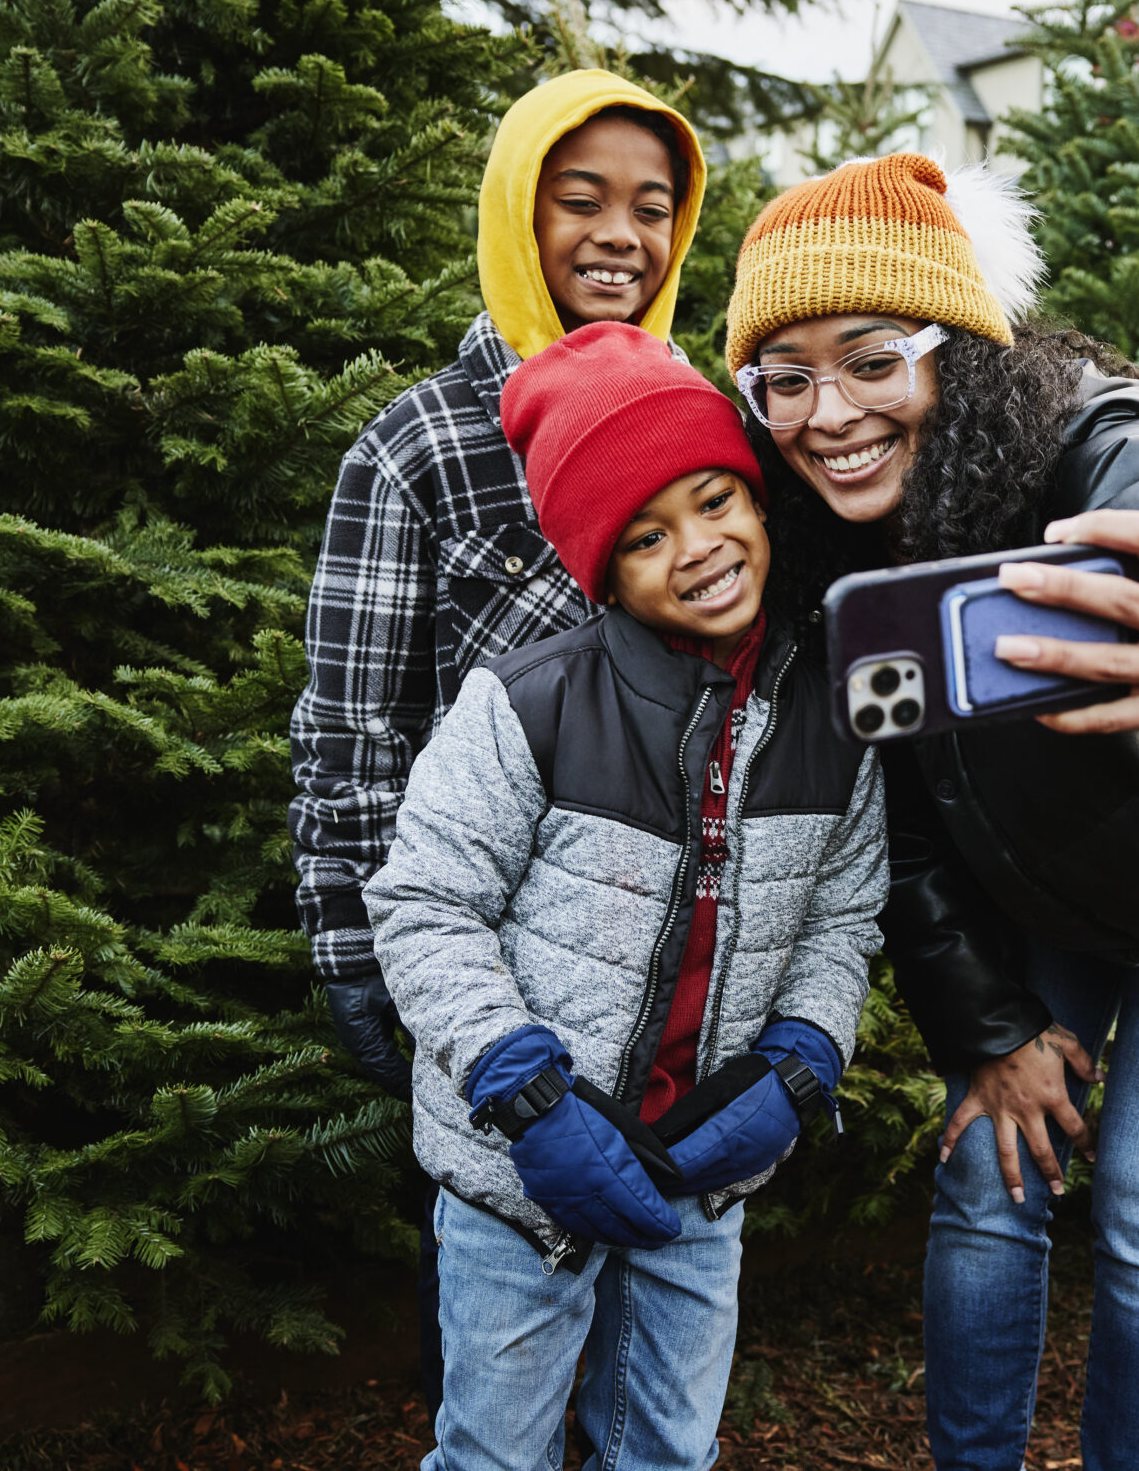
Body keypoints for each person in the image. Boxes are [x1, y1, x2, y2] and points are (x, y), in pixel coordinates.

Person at [723, 153, 1139, 1471]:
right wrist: (994, 1023)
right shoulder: (819, 541)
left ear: (956, 353)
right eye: (784, 378)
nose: (826, 413)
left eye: (868, 359)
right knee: (987, 1170)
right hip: (1051, 881)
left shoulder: (1090, 433)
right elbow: (893, 823)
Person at [366, 319, 885, 1471]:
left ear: (756, 496)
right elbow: (423, 903)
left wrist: (801, 1061)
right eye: (646, 536)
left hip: (701, 1173)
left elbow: (844, 914)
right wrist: (523, 1092)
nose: (696, 547)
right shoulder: (528, 705)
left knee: (666, 1448)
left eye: (714, 501)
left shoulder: (829, 717)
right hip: (523, 1178)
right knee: (496, 1455)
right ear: (601, 566)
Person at [288, 70, 707, 1408]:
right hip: (483, 953)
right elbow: (351, 724)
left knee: (651, 1335)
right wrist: (355, 945)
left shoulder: (696, 425)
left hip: (666, 952)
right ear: (517, 214)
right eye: (579, 200)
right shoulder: (422, 444)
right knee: (502, 1303)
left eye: (653, 208)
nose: (619, 238)